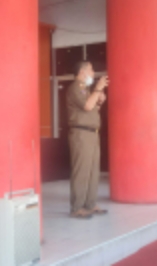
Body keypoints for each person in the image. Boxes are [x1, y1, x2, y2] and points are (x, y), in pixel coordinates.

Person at [67, 62, 108, 219]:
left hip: (92, 133)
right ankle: (77, 207)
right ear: (82, 71)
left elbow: (93, 109)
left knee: (92, 171)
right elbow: (87, 106)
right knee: (82, 170)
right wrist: (97, 89)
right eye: (91, 69)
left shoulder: (86, 89)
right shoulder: (76, 87)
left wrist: (99, 100)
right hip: (81, 134)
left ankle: (90, 204)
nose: (93, 72)